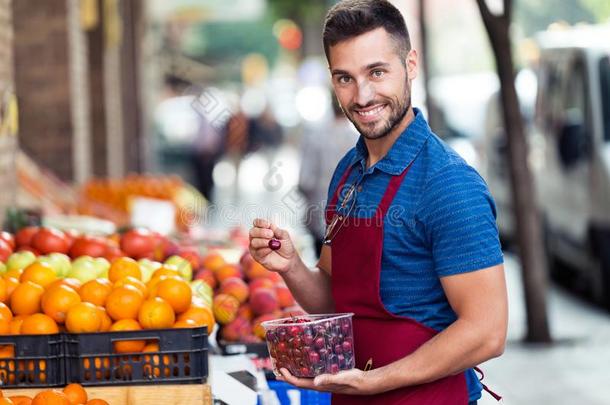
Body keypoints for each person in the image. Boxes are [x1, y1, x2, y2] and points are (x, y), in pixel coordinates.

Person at [248, 1, 507, 404]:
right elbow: (340, 300)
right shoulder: (349, 172)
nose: (363, 95)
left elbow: (488, 331)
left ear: (411, 64)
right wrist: (292, 266)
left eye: (377, 72)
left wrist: (377, 381)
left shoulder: (449, 184)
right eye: (345, 78)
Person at [298, 95, 359, 255]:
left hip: (319, 213)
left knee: (322, 269)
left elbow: (305, 181)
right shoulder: (359, 139)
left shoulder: (315, 137)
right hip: (353, 220)